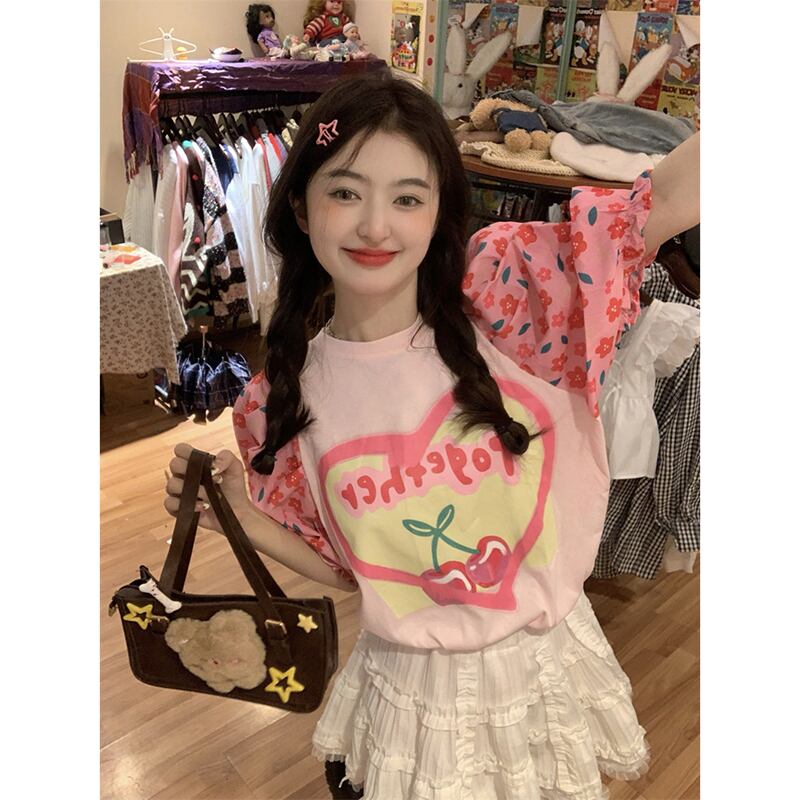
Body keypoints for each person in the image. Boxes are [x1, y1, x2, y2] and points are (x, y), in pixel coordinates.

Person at [164, 73, 700, 799]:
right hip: (409, 693)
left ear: (439, 208)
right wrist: (238, 512)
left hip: (541, 669)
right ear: (301, 206)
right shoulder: (279, 402)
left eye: (407, 198)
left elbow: (659, 203)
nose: (375, 226)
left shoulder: (509, 301)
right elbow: (350, 568)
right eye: (346, 192)